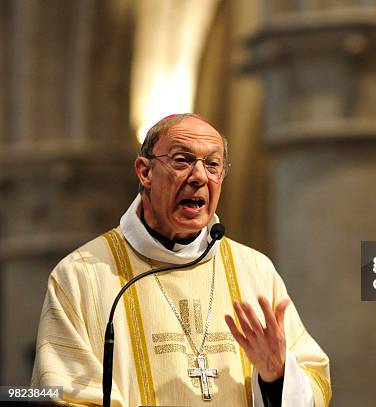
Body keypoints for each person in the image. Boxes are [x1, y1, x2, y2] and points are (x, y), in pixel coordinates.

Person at [31, 114, 331, 406]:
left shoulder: (255, 271)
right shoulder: (81, 274)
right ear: (144, 172)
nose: (199, 176)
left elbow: (314, 383)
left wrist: (277, 376)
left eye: (213, 164)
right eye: (182, 160)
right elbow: (61, 392)